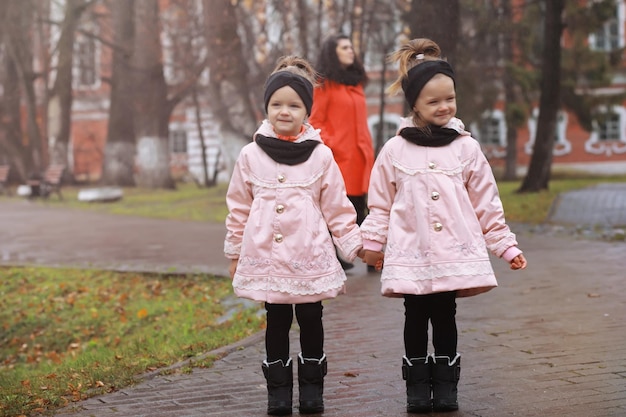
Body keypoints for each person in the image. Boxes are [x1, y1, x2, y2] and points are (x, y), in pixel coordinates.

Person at [360, 38, 528, 414]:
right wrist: (372, 244)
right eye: (434, 101)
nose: (444, 106)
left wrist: (506, 247)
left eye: (449, 98)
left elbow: (487, 202)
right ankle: (417, 386)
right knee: (415, 316)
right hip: (411, 253)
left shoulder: (466, 148)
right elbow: (380, 203)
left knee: (446, 315)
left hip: (453, 254)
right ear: (415, 103)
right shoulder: (395, 150)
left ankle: (447, 385)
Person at [224, 55, 363, 415]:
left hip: (309, 258)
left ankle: (313, 389)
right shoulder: (251, 155)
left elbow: (337, 207)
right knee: (276, 320)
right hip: (268, 260)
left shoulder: (320, 156)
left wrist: (356, 247)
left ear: (307, 112)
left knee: (311, 318)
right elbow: (238, 207)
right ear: (266, 107)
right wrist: (234, 252)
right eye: (276, 104)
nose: (284, 111)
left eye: (294, 105)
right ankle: (279, 393)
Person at [309, 33, 375, 270]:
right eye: (345, 47)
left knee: (363, 206)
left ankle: (370, 255)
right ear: (332, 53)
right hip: (338, 157)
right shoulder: (324, 85)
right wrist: (332, 144)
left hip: (361, 155)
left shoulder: (356, 83)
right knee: (339, 206)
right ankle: (334, 254)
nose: (351, 51)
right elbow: (316, 121)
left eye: (351, 47)